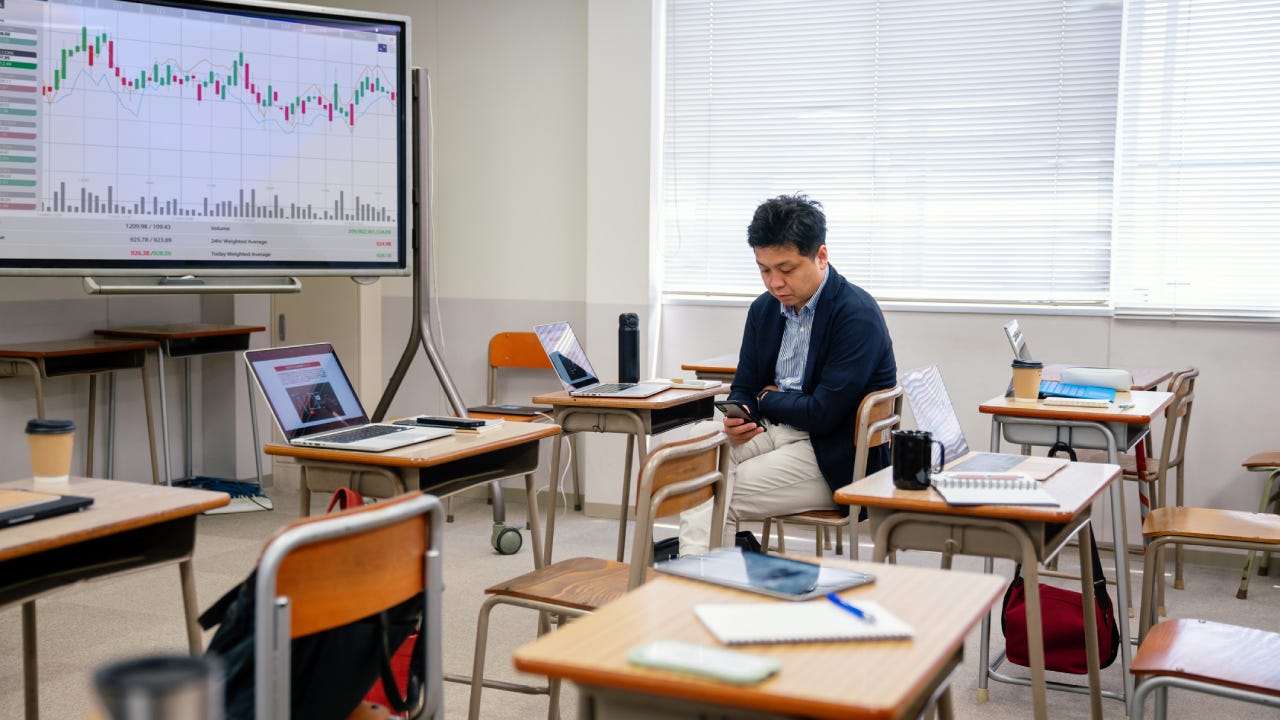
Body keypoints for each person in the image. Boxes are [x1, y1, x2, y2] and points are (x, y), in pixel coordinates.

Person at [679, 193, 897, 555]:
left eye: (787, 269)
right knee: (700, 439)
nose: (775, 283)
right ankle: (698, 577)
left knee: (712, 490)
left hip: (831, 454)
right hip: (772, 430)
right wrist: (742, 410)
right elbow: (745, 386)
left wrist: (766, 398)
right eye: (764, 270)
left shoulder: (856, 315)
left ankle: (699, 581)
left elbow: (823, 414)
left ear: (821, 256)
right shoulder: (764, 310)